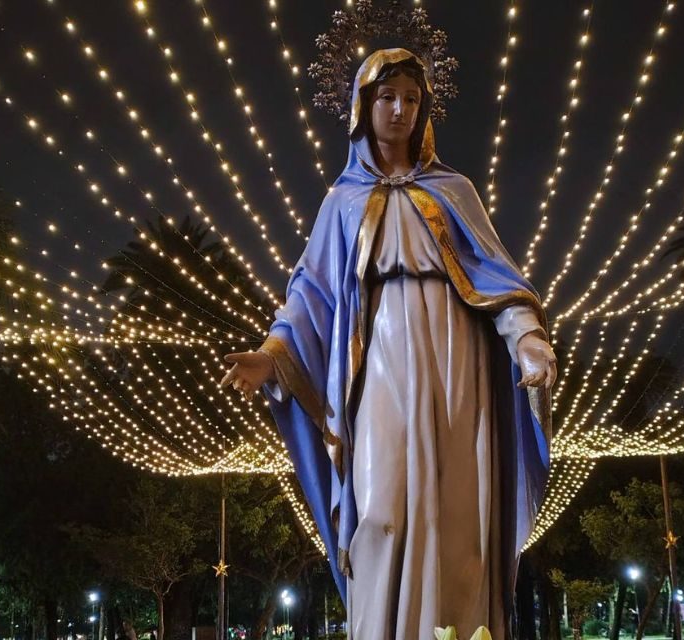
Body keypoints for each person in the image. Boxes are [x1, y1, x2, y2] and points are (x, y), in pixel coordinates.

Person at [221, 48, 557, 639]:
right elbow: (312, 293)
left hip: (460, 363)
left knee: (458, 513)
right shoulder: (342, 201)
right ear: (363, 107)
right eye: (386, 98)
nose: (400, 109)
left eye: (410, 98)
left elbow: (500, 281)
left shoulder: (455, 191)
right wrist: (272, 355)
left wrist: (528, 339)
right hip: (378, 359)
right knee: (379, 507)